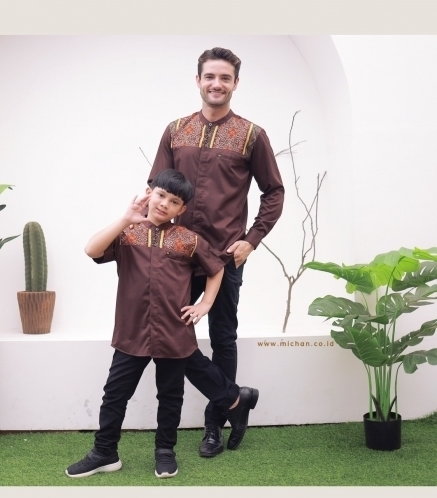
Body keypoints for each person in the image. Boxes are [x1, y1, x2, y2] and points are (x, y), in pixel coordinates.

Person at [148, 47, 285, 457]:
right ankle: (234, 400)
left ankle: (215, 425)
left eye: (225, 78)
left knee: (223, 337)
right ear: (198, 80)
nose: (217, 84)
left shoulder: (251, 135)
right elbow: (156, 187)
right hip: (176, 255)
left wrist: (251, 239)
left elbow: (274, 191)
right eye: (210, 76)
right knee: (172, 337)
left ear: (235, 84)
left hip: (224, 257)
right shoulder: (176, 130)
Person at [66, 170, 231, 479]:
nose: (165, 204)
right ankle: (104, 452)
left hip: (174, 332)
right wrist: (125, 218)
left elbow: (216, 267)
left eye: (174, 201)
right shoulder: (127, 233)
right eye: (161, 195)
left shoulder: (188, 239)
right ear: (149, 194)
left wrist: (205, 304)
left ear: (182, 209)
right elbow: (91, 250)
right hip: (131, 332)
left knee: (170, 396)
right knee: (115, 394)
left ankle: (165, 451)